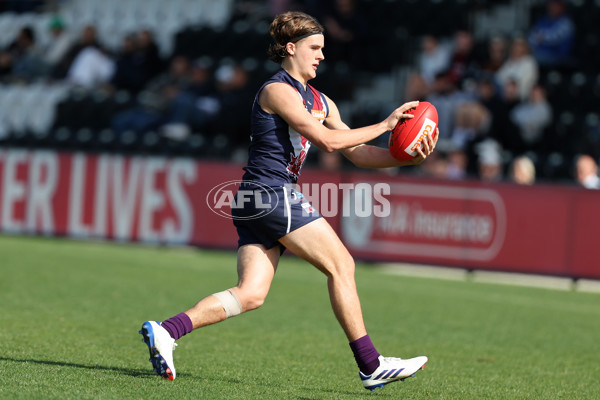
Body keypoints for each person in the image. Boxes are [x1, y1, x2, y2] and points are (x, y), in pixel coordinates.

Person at [139, 11, 437, 391]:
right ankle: (371, 365)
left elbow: (359, 153)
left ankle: (167, 330)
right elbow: (328, 141)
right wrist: (385, 125)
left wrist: (407, 157)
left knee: (250, 294)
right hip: (270, 192)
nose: (321, 56)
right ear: (291, 48)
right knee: (342, 265)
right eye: (315, 48)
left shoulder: (323, 101)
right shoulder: (276, 90)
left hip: (255, 197)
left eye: (324, 49)